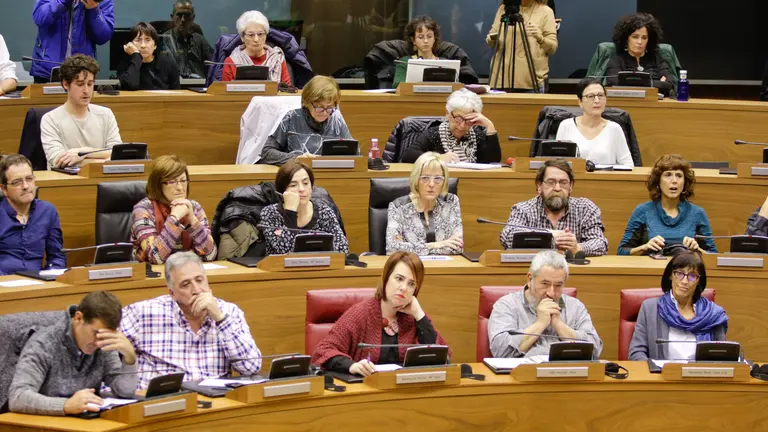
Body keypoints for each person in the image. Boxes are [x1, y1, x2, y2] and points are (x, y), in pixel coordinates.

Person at [121, 252, 262, 388]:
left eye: (199, 280)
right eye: (186, 284)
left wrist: (220, 320)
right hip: (165, 402)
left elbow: (251, 368)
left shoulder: (229, 313)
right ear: (172, 293)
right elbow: (102, 339)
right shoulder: (143, 314)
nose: (196, 290)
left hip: (215, 402)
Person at [311, 252, 448, 376]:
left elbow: (440, 356)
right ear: (386, 278)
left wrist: (419, 315)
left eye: (411, 284)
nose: (404, 288)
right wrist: (351, 366)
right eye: (399, 279)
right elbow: (323, 350)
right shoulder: (360, 314)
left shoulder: (415, 318)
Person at [8, 291, 137, 416]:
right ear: (78, 318)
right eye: (96, 333)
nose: (99, 342)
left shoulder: (103, 343)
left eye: (106, 335)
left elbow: (124, 392)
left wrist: (129, 358)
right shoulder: (43, 343)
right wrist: (66, 405)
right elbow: (18, 397)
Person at [488, 250, 603, 358]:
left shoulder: (575, 307)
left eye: (558, 285)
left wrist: (558, 325)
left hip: (567, 375)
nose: (551, 293)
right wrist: (540, 323)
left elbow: (595, 350)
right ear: (530, 279)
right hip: (523, 375)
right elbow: (500, 351)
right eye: (545, 284)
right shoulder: (507, 305)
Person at [629, 252, 728, 360]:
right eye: (679, 274)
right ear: (670, 275)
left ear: (699, 281)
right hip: (661, 375)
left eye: (692, 276)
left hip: (701, 375)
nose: (684, 281)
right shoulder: (650, 308)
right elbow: (636, 353)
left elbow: (721, 357)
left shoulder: (713, 314)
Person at [500, 159, 608, 257]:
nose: (557, 188)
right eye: (551, 182)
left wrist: (578, 248)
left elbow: (600, 243)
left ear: (571, 187)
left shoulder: (585, 209)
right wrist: (549, 236)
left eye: (563, 183)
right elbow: (507, 236)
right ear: (539, 186)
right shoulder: (523, 209)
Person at [618, 154, 716, 255]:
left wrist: (698, 250)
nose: (674, 181)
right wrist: (645, 247)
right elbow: (622, 252)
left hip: (686, 269)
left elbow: (713, 256)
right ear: (658, 181)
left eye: (679, 176)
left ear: (685, 182)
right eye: (668, 175)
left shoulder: (697, 213)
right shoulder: (642, 211)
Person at [131, 155, 216, 264]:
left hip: (185, 272)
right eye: (172, 182)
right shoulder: (143, 210)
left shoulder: (194, 208)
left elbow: (211, 255)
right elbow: (155, 257)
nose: (180, 188)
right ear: (158, 185)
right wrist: (174, 218)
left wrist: (192, 220)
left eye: (183, 181)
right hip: (153, 277)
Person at [40, 54, 121, 169]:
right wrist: (104, 160)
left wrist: (83, 152)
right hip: (66, 182)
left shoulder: (106, 114)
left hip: (101, 179)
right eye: (80, 84)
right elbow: (59, 161)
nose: (86, 91)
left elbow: (116, 153)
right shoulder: (50, 119)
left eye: (90, 84)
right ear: (65, 84)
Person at [259, 160, 349, 255]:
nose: (301, 189)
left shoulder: (324, 212)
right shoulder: (270, 213)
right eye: (293, 185)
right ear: (282, 191)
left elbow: (343, 250)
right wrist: (290, 212)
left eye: (305, 183)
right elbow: (286, 252)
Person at [259, 75, 352, 166]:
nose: (324, 113)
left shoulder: (336, 118)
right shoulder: (292, 117)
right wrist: (295, 159)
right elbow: (267, 153)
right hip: (298, 174)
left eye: (329, 107)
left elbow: (354, 154)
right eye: (319, 107)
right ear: (306, 102)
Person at [0, 154, 65, 275]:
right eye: (16, 182)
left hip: (38, 282)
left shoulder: (47, 211)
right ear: (4, 189)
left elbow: (57, 256)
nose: (25, 186)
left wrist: (50, 276)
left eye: (29, 179)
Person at [386, 152, 463, 255]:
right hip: (410, 268)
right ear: (416, 180)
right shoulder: (398, 207)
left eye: (438, 179)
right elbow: (393, 249)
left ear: (444, 182)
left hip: (444, 267)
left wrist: (413, 248)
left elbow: (457, 247)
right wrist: (434, 245)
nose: (431, 184)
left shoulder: (451, 202)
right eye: (425, 178)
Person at [401, 88, 500, 164]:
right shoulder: (434, 133)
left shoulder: (477, 134)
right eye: (458, 118)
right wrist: (438, 158)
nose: (461, 126)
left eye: (468, 120)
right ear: (448, 114)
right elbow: (408, 155)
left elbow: (493, 161)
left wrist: (489, 126)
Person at [30, 0, 115, 83]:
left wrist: (94, 11)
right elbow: (40, 17)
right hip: (47, 71)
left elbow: (103, 36)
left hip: (83, 72)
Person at [555, 78, 633, 166]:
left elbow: (628, 165)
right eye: (591, 96)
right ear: (580, 102)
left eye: (600, 95)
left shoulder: (614, 128)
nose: (597, 100)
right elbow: (558, 165)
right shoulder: (566, 126)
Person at [486, 0, 557, 91]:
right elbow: (492, 39)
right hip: (500, 79)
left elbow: (552, 48)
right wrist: (492, 38)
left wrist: (540, 38)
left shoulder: (545, 11)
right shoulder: (504, 9)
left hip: (530, 82)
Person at [605, 13, 674, 96]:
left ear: (649, 40)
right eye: (635, 37)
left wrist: (629, 83)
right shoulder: (616, 60)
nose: (639, 42)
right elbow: (613, 83)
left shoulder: (657, 59)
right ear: (626, 39)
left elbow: (669, 85)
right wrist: (656, 83)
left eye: (644, 38)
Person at [221, 10, 291, 85]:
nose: (256, 39)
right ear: (242, 37)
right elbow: (226, 93)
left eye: (260, 34)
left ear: (266, 35)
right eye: (251, 35)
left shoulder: (277, 58)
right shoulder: (231, 61)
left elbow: (287, 90)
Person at [118, 22, 180, 90]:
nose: (143, 45)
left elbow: (177, 93)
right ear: (130, 44)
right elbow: (129, 85)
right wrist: (136, 56)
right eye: (138, 40)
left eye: (147, 40)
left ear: (155, 45)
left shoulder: (168, 63)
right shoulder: (126, 64)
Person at [160, 0, 212, 79]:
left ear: (193, 18)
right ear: (172, 17)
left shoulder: (200, 40)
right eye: (179, 15)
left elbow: (213, 66)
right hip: (173, 87)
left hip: (199, 86)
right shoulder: (164, 40)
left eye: (187, 15)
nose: (183, 19)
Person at [392, 16, 442, 89]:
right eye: (421, 37)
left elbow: (456, 87)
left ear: (435, 38)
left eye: (429, 36)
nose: (426, 41)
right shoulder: (404, 62)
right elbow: (397, 85)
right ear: (413, 40)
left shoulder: (445, 63)